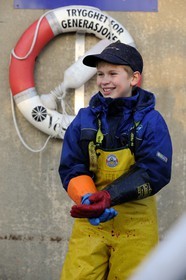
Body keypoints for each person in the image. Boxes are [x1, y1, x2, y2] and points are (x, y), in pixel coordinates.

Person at [58, 41, 172, 280]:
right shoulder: (84, 119)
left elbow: (156, 170)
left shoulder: (151, 121)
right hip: (92, 221)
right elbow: (72, 165)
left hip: (136, 226)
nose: (104, 80)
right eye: (100, 74)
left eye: (112, 73)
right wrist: (88, 199)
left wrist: (109, 196)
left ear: (134, 78)